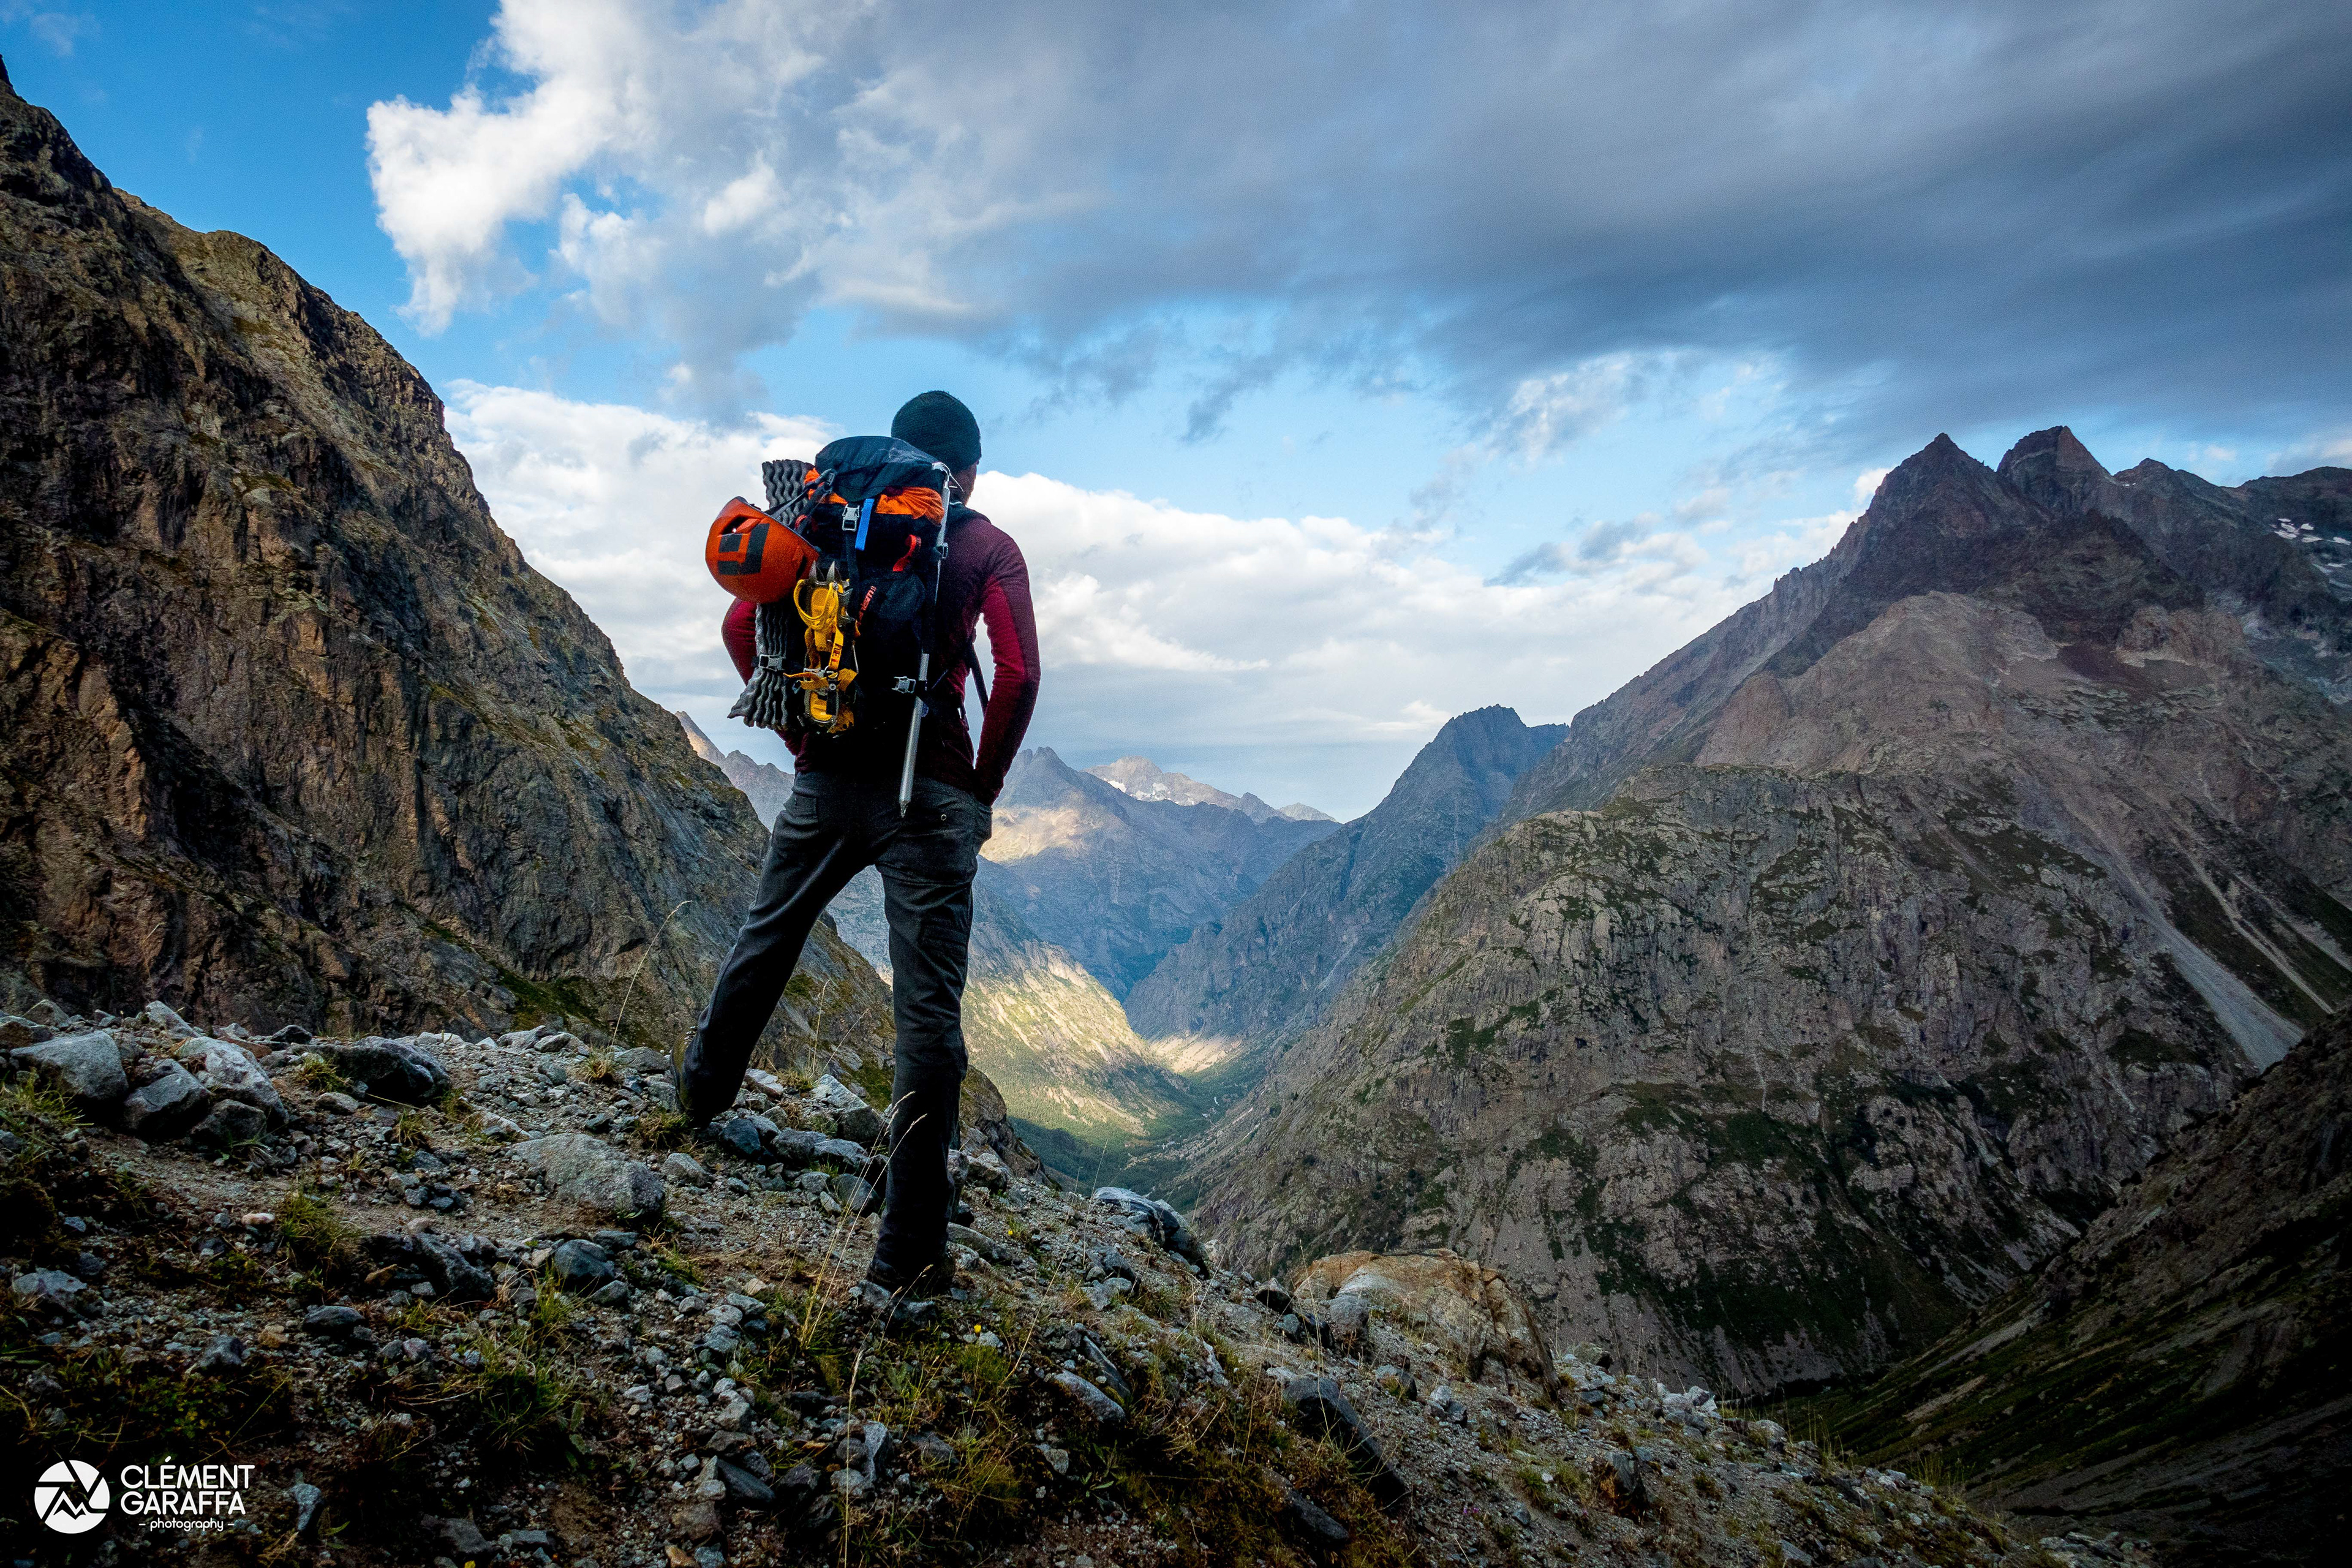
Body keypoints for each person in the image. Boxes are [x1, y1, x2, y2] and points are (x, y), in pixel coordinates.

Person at [676, 390, 1041, 1294]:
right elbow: (1019, 675)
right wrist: (983, 787)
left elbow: (740, 625)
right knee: (927, 1020)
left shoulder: (827, 520)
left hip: (827, 778)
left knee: (768, 937)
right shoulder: (987, 546)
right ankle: (906, 1257)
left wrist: (801, 742)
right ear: (969, 473)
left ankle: (698, 1097)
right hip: (932, 791)